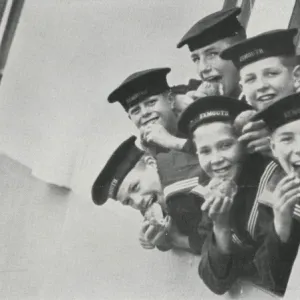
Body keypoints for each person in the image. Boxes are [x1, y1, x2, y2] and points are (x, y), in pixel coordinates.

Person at [177, 96, 274, 295]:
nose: (216, 160)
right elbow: (216, 282)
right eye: (205, 151)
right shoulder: (212, 190)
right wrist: (221, 226)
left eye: (225, 145)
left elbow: (272, 275)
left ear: (246, 144)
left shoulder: (270, 179)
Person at [91, 135, 210, 254]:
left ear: (151, 163)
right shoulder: (151, 197)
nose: (137, 201)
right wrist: (156, 237)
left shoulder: (185, 181)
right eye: (128, 201)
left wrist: (176, 240)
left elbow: (216, 246)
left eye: (135, 187)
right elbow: (170, 223)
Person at [177, 7, 269, 155]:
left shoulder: (265, 97)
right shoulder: (200, 106)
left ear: (240, 51)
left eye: (212, 54)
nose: (203, 68)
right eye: (196, 59)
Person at [220, 28, 300, 156]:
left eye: (271, 74)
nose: (261, 86)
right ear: (242, 88)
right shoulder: (250, 134)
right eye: (250, 79)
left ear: (297, 76)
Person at [251, 93, 300, 296]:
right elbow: (272, 281)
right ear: (273, 148)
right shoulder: (277, 198)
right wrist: (282, 226)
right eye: (287, 139)